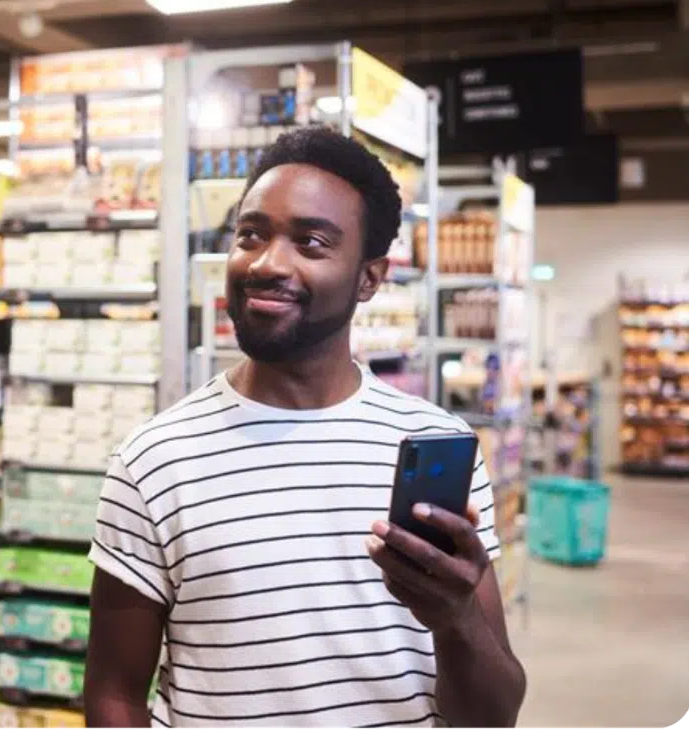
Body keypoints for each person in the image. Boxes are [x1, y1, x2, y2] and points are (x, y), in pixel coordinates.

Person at [83, 126, 526, 732]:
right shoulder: (154, 460)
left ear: (369, 278)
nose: (267, 263)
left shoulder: (430, 444)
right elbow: (114, 695)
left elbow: (495, 717)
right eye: (250, 235)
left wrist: (456, 621)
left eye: (311, 242)